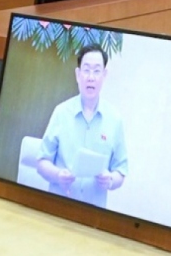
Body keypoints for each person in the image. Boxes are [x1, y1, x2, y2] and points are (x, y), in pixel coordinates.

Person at [36, 44, 128, 209]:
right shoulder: (61, 112)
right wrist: (58, 175)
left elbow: (121, 171)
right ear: (78, 75)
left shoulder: (114, 119)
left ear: (104, 75)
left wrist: (110, 180)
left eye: (96, 71)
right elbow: (42, 162)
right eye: (86, 70)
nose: (90, 77)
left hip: (94, 214)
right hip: (58, 207)